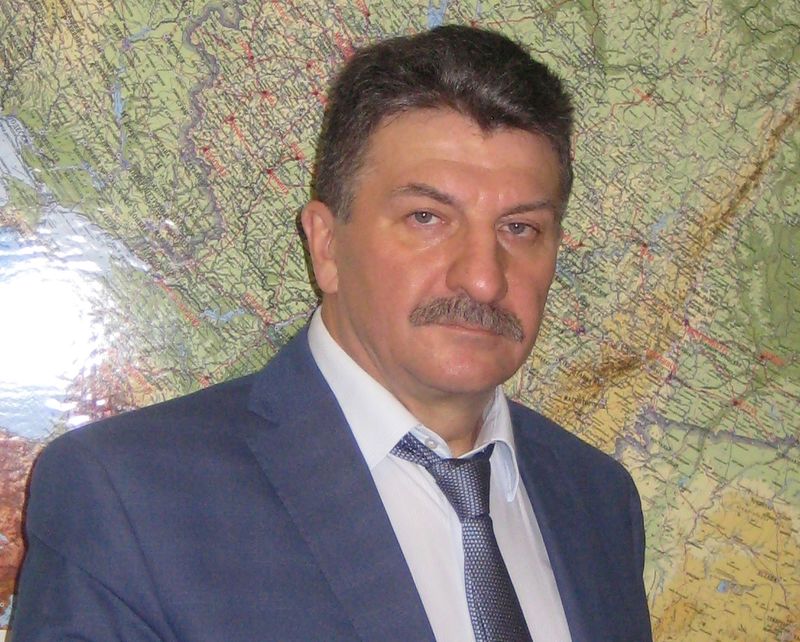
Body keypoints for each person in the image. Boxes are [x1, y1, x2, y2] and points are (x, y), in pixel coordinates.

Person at [12, 25, 652, 641]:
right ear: (326, 246)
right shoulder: (130, 497)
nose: (483, 279)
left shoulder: (597, 502)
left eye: (520, 228)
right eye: (426, 217)